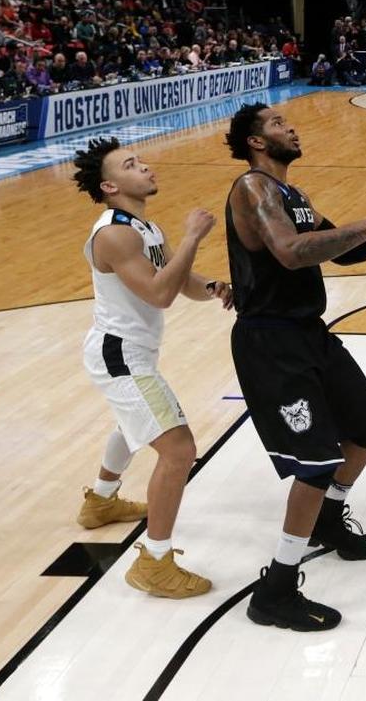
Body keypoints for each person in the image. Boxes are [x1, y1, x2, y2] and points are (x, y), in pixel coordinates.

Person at [224, 103, 366, 631]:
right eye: (279, 124)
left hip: (309, 332)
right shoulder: (251, 188)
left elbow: (344, 252)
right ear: (257, 142)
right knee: (315, 463)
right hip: (271, 342)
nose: (291, 127)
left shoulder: (293, 195)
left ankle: (328, 518)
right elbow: (290, 252)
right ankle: (276, 591)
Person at [72, 137, 233, 598]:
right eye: (131, 164)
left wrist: (215, 286)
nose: (144, 168)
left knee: (130, 424)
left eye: (139, 161)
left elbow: (176, 282)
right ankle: (155, 563)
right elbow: (159, 293)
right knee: (178, 449)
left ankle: (101, 503)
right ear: (109, 185)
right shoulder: (114, 233)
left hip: (130, 349)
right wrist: (192, 238)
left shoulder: (143, 225)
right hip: (119, 353)